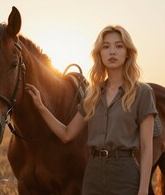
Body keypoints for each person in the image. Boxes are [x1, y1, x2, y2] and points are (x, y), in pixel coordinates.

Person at [25, 25, 158, 195]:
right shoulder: (93, 94)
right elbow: (66, 134)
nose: (112, 52)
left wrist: (143, 189)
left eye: (119, 46)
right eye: (106, 47)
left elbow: (147, 147)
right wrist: (41, 106)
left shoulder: (143, 93)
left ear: (128, 53)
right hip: (93, 174)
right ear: (99, 54)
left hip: (125, 173)